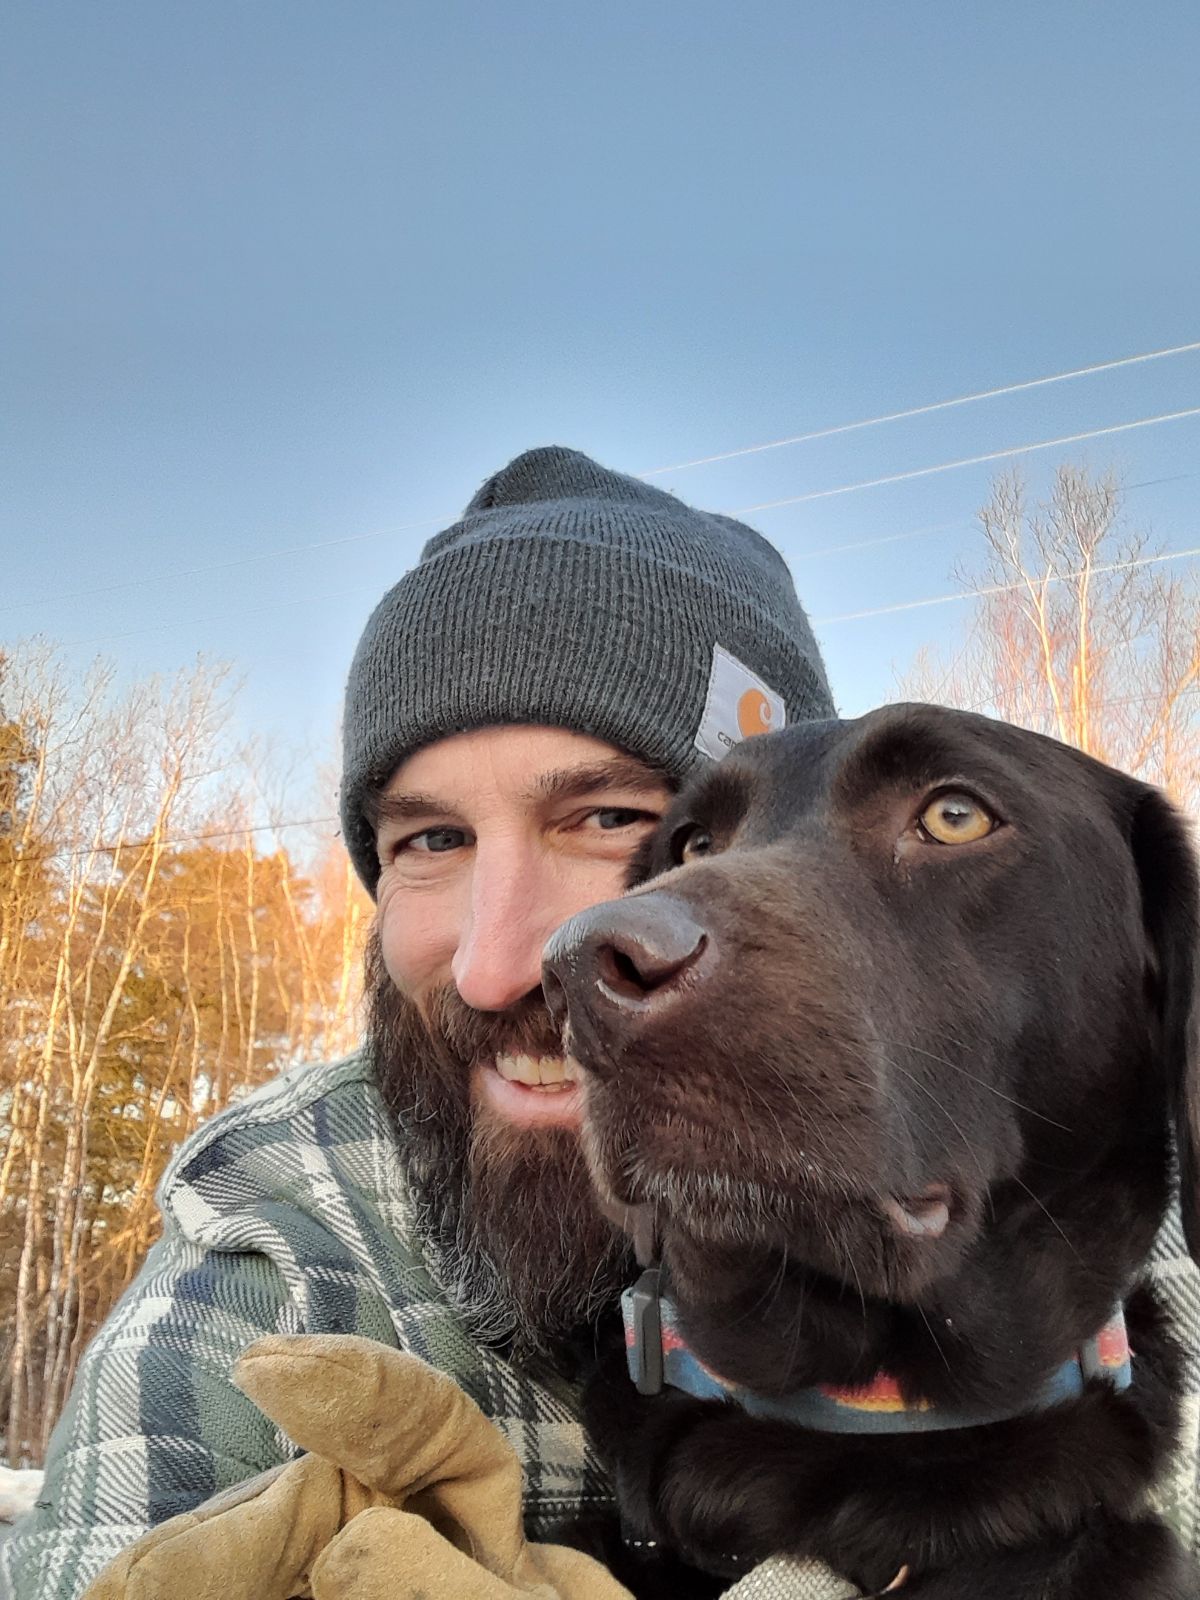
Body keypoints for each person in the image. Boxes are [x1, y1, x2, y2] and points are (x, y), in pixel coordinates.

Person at [4, 446, 849, 1600]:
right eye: (432, 841)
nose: (497, 965)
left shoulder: (1008, 1135)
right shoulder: (286, 1239)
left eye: (610, 817)